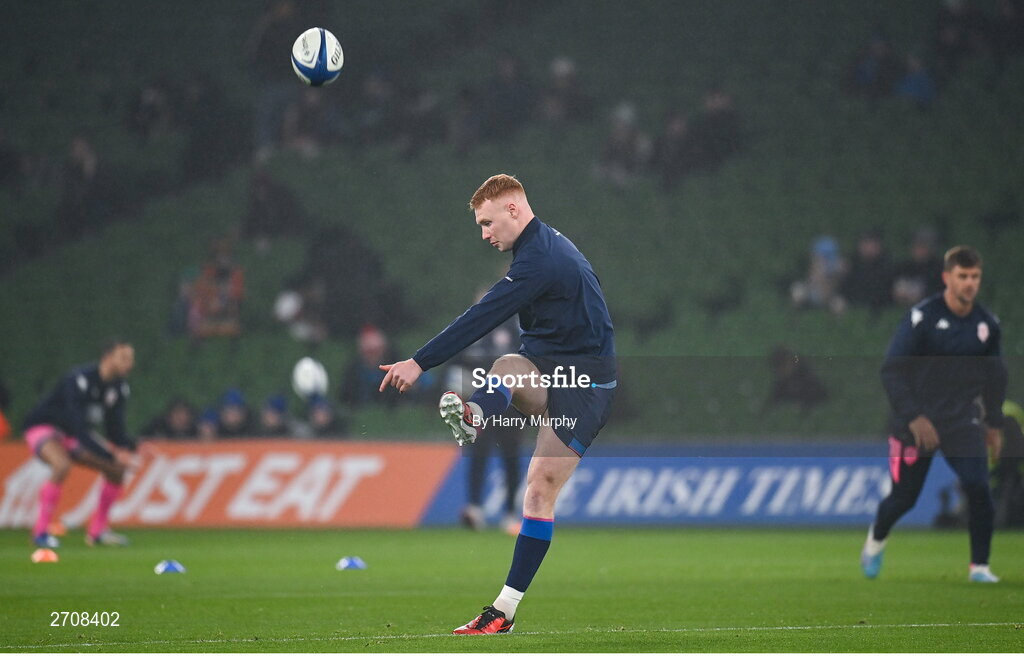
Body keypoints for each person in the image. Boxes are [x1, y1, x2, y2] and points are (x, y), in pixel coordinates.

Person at [379, 174, 616, 634]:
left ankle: (503, 609)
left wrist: (419, 362)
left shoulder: (540, 260)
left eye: (487, 222)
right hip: (548, 367)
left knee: (539, 488)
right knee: (508, 364)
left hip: (586, 383)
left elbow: (484, 314)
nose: (485, 233)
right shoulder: (537, 249)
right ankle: (475, 415)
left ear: (513, 209)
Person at [862, 246, 1007, 583]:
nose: (970, 283)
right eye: (963, 276)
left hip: (961, 419)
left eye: (975, 277)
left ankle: (980, 567)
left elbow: (995, 376)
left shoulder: (987, 325)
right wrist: (913, 416)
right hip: (916, 423)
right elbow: (891, 371)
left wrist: (994, 422)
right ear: (947, 278)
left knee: (977, 486)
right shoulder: (921, 319)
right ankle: (875, 540)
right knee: (904, 499)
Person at [23, 339, 141, 548]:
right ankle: (41, 532)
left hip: (72, 435)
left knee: (116, 471)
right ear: (107, 358)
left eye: (130, 358)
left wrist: (135, 445)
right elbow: (80, 429)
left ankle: (98, 532)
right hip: (44, 427)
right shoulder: (79, 379)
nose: (129, 363)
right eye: (124, 358)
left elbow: (115, 430)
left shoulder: (119, 388)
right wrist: (113, 455)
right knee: (62, 465)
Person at [456, 287, 525, 534]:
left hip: (509, 406)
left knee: (511, 459)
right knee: (477, 455)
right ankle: (475, 509)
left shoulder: (513, 330)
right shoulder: (468, 330)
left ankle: (509, 514)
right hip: (478, 406)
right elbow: (457, 370)